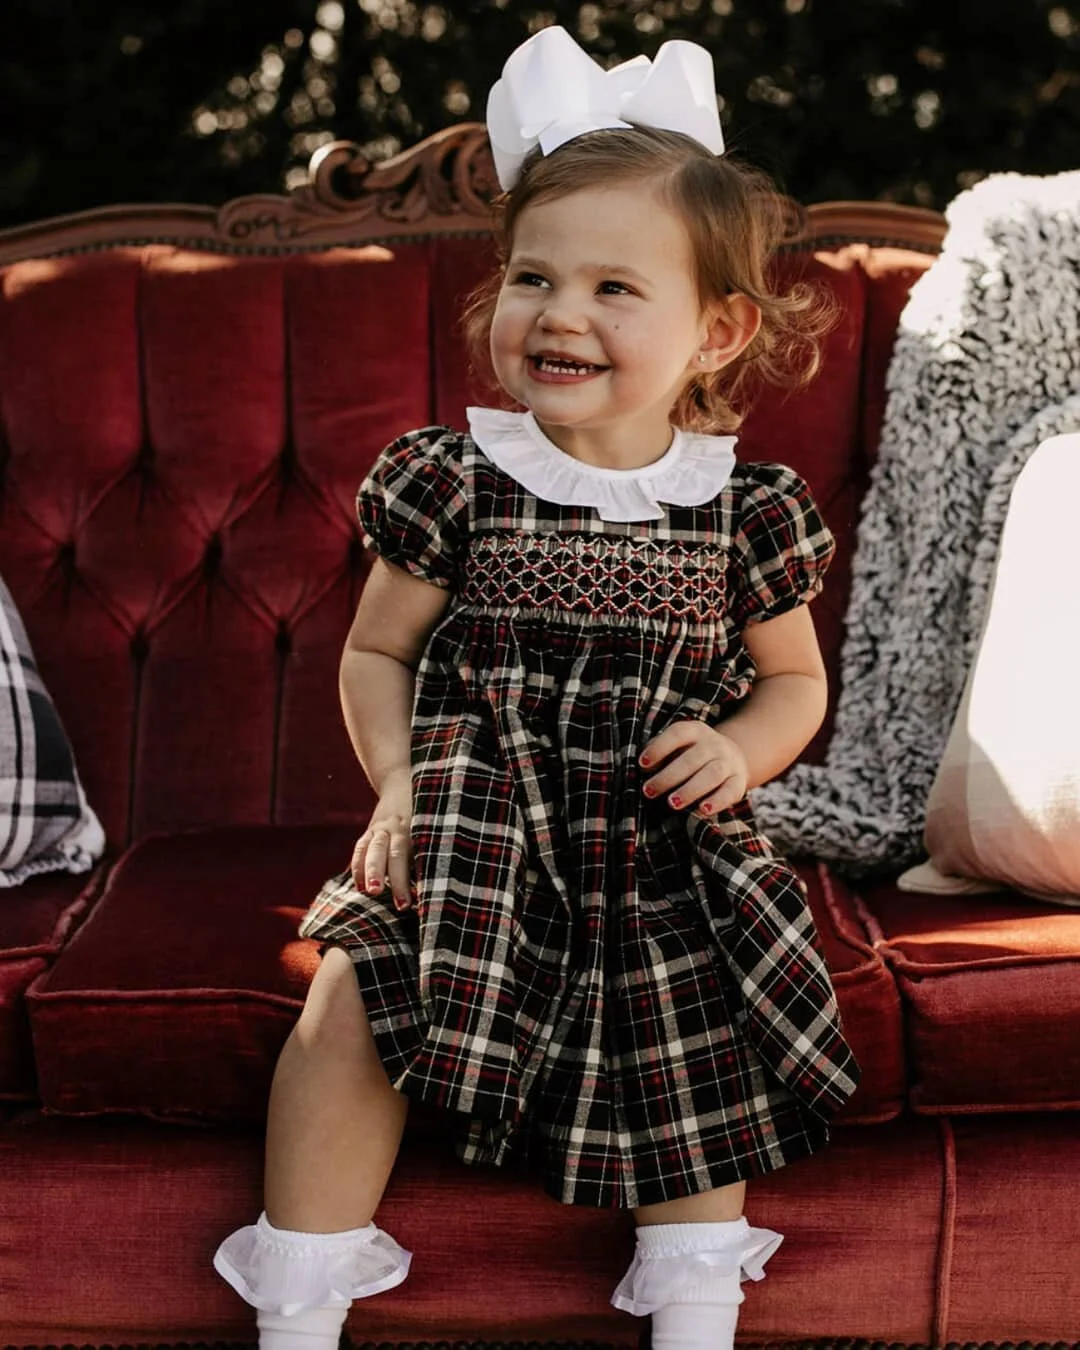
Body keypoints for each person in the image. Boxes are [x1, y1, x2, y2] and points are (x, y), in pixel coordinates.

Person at [214, 24, 860, 1350]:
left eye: (617, 287)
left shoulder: (747, 510)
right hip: (471, 826)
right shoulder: (457, 480)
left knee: (699, 1025)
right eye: (531, 276)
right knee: (351, 992)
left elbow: (796, 684)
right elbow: (377, 650)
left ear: (716, 327)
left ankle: (692, 1308)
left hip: (654, 837)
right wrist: (398, 790)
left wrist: (739, 749)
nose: (559, 313)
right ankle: (299, 1310)